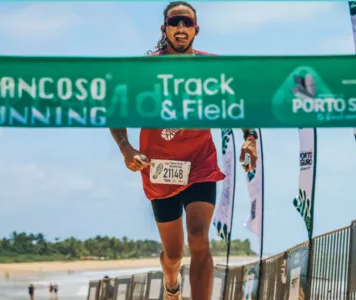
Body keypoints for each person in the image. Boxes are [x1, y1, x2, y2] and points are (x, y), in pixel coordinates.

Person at [109, 2, 258, 300]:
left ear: (196, 30)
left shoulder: (211, 68)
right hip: (158, 168)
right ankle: (171, 280)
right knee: (174, 254)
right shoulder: (146, 68)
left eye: (186, 23)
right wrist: (126, 148)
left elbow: (242, 99)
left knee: (200, 239)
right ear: (164, 28)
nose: (180, 28)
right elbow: (116, 107)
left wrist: (250, 137)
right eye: (174, 22)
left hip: (200, 163)